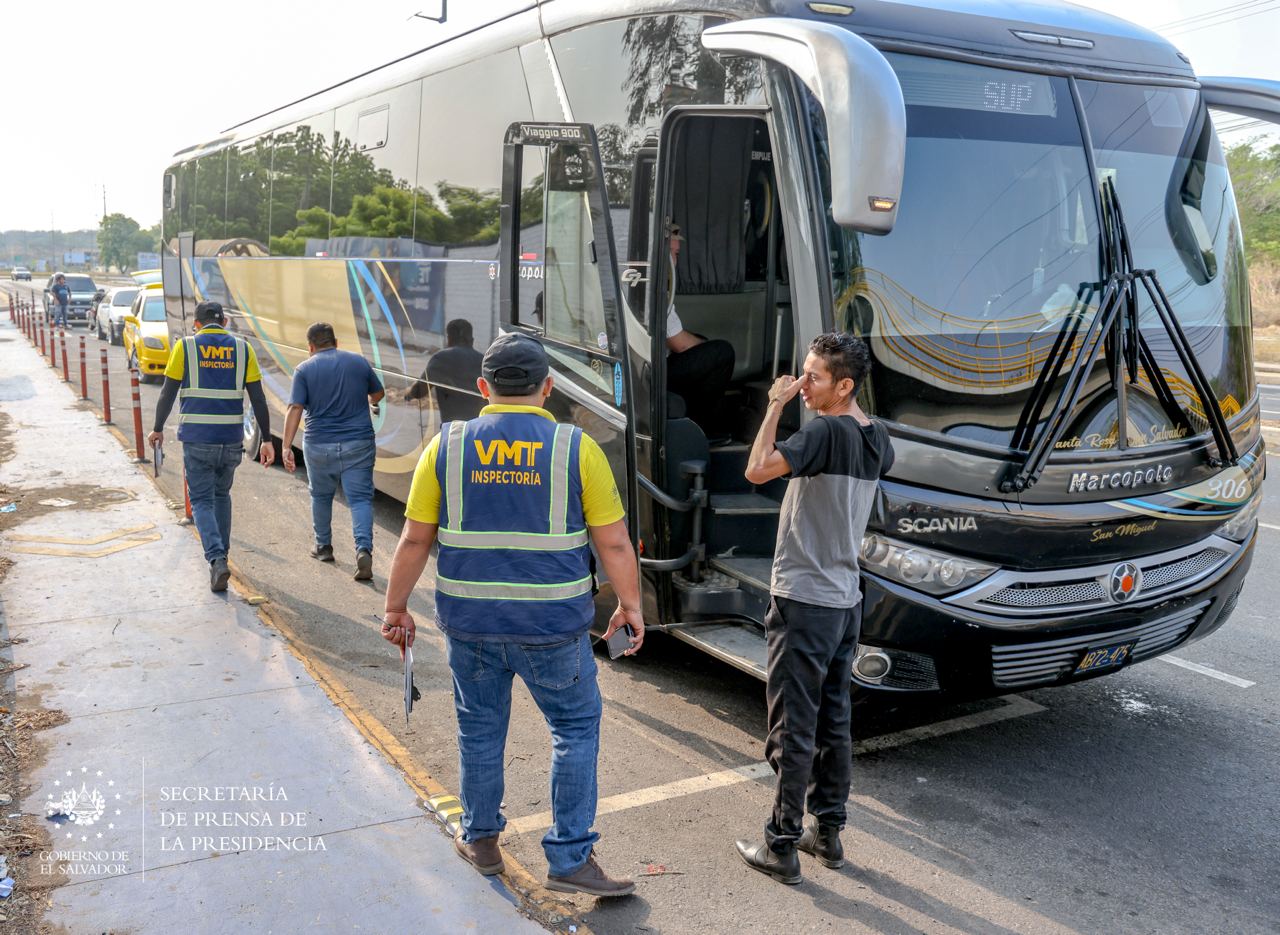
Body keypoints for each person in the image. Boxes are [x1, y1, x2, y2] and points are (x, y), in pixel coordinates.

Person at [381, 333, 643, 898]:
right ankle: (570, 858)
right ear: (548, 388)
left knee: (478, 729)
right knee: (573, 730)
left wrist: (396, 605)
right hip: (553, 629)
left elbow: (413, 539)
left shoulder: (446, 445)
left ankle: (481, 841)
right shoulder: (576, 449)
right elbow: (615, 545)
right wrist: (630, 606)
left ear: (483, 389)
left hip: (470, 626)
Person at [735, 333, 895, 885]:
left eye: (814, 378)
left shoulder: (824, 430)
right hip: (846, 599)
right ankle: (827, 834)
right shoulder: (878, 436)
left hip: (804, 597)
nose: (803, 385)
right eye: (800, 375)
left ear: (843, 385)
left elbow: (756, 470)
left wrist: (775, 404)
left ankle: (780, 843)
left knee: (793, 727)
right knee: (835, 721)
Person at [147, 302, 275, 592]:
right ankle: (223, 556)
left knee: (202, 500)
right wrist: (266, 440)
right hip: (231, 440)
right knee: (221, 496)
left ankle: (217, 559)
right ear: (225, 321)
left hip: (198, 438)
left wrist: (157, 428)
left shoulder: (186, 347)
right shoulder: (243, 350)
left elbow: (168, 392)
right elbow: (258, 399)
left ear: (196, 323)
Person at [280, 322, 385, 580]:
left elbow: (295, 408)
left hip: (318, 445)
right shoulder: (358, 362)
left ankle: (323, 547)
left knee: (321, 495)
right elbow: (378, 393)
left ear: (310, 347)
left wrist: (285, 446)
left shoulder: (304, 369)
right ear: (336, 342)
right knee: (360, 499)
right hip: (358, 443)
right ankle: (363, 549)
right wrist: (371, 401)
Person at [664, 223, 735, 438]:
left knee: (704, 347)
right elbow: (680, 344)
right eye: (674, 254)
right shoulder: (657, 292)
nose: (675, 261)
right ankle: (704, 427)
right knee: (722, 353)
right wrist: (706, 348)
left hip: (659, 362)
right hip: (654, 371)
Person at [407, 318, 484, 423]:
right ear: (472, 340)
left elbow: (419, 391)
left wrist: (408, 394)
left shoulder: (441, 358)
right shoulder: (484, 361)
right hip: (481, 430)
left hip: (453, 432)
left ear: (449, 339)